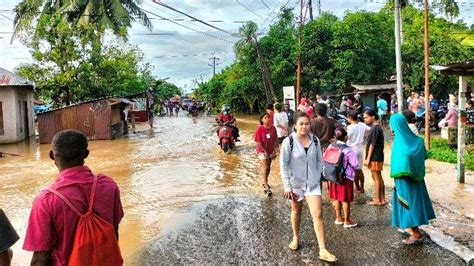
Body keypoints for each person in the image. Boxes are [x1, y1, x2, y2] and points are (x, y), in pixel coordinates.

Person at [23, 130, 124, 265]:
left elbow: (41, 259)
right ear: (86, 154)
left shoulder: (46, 200)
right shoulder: (108, 185)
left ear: (52, 155)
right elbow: (114, 233)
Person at [280, 112, 337, 262]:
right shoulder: (289, 142)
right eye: (301, 124)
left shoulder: (315, 140)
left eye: (307, 124)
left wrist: (318, 175)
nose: (305, 127)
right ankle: (296, 237)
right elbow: (283, 165)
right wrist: (287, 186)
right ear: (295, 125)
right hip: (295, 184)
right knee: (296, 211)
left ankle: (323, 249)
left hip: (312, 184)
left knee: (318, 214)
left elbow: (320, 161)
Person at [390, 114, 436, 245]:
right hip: (416, 177)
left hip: (404, 179)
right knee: (413, 202)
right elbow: (422, 156)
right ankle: (412, 228)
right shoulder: (416, 140)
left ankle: (416, 234)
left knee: (406, 203)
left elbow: (400, 161)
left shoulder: (400, 142)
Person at [329, 128, 359, 228]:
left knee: (336, 197)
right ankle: (347, 221)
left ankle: (338, 218)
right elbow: (355, 164)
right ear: (345, 137)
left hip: (333, 176)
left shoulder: (331, 146)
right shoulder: (347, 149)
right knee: (345, 199)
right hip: (345, 178)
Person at [363, 109, 386, 206]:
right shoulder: (377, 127)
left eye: (366, 117)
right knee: (378, 177)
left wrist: (368, 158)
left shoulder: (375, 128)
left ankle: (377, 199)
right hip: (378, 155)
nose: (365, 119)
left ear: (373, 116)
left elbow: (372, 144)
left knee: (376, 177)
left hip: (374, 156)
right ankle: (382, 199)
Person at [346, 111, 371, 193]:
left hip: (351, 149)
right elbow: (370, 130)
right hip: (360, 148)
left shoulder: (350, 127)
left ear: (350, 118)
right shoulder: (362, 125)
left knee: (353, 170)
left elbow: (346, 138)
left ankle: (356, 187)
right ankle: (362, 187)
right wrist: (365, 136)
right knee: (359, 169)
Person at [255, 113, 278, 196]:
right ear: (262, 120)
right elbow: (258, 142)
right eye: (265, 117)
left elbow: (276, 140)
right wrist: (265, 152)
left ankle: (265, 181)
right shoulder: (259, 129)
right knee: (265, 167)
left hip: (271, 150)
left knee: (268, 167)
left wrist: (275, 150)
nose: (267, 119)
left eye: (268, 117)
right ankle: (266, 186)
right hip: (262, 151)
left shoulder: (273, 128)